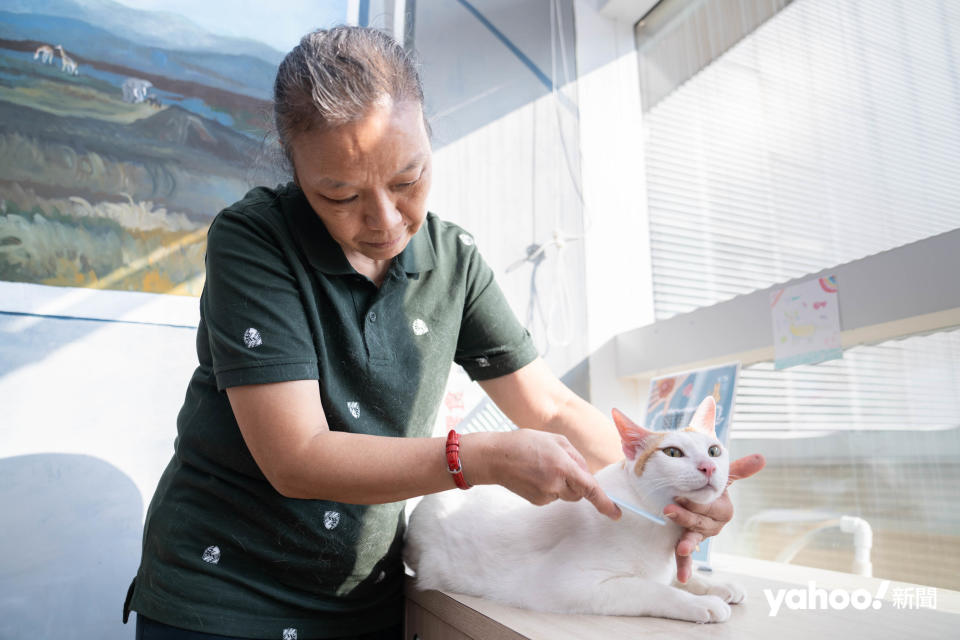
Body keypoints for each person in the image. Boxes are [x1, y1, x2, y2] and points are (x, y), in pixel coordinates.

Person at [124, 26, 764, 640]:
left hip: (368, 596)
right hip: (221, 595)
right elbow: (296, 456)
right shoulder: (255, 240)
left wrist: (675, 500)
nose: (383, 220)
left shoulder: (451, 258)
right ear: (295, 174)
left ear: (429, 134)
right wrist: (479, 458)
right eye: (340, 195)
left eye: (407, 180)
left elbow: (551, 406)